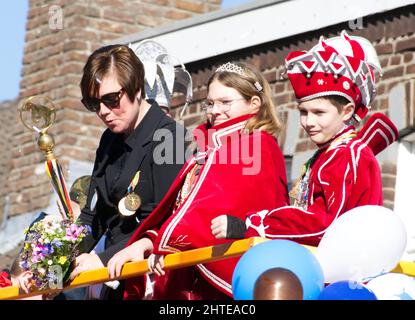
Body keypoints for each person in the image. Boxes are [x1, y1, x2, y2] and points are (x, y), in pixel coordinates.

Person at [108, 61, 289, 300]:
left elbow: (217, 207)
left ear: (254, 104)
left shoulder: (259, 145)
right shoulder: (205, 150)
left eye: (226, 102)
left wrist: (164, 242)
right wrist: (147, 241)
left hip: (227, 280)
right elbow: (180, 209)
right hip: (188, 275)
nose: (215, 111)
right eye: (210, 103)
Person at [213, 31, 386, 247]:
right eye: (303, 112)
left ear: (347, 111)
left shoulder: (346, 154)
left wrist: (254, 224)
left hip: (345, 272)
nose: (309, 122)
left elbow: (325, 224)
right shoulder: (328, 153)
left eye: (319, 112)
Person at [68, 44, 186, 300]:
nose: (103, 111)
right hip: (110, 275)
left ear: (137, 88)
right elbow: (93, 216)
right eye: (93, 103)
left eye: (111, 99)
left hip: (149, 279)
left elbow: (161, 219)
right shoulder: (108, 140)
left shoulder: (170, 137)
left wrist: (101, 258)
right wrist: (59, 258)